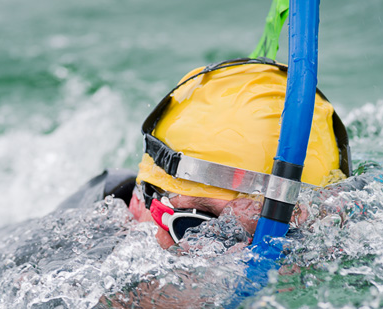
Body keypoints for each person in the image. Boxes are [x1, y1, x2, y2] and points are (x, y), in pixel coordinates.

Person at [60, 57, 351, 250]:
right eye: (195, 227)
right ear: (139, 202)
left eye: (277, 236)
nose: (235, 261)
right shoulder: (59, 266)